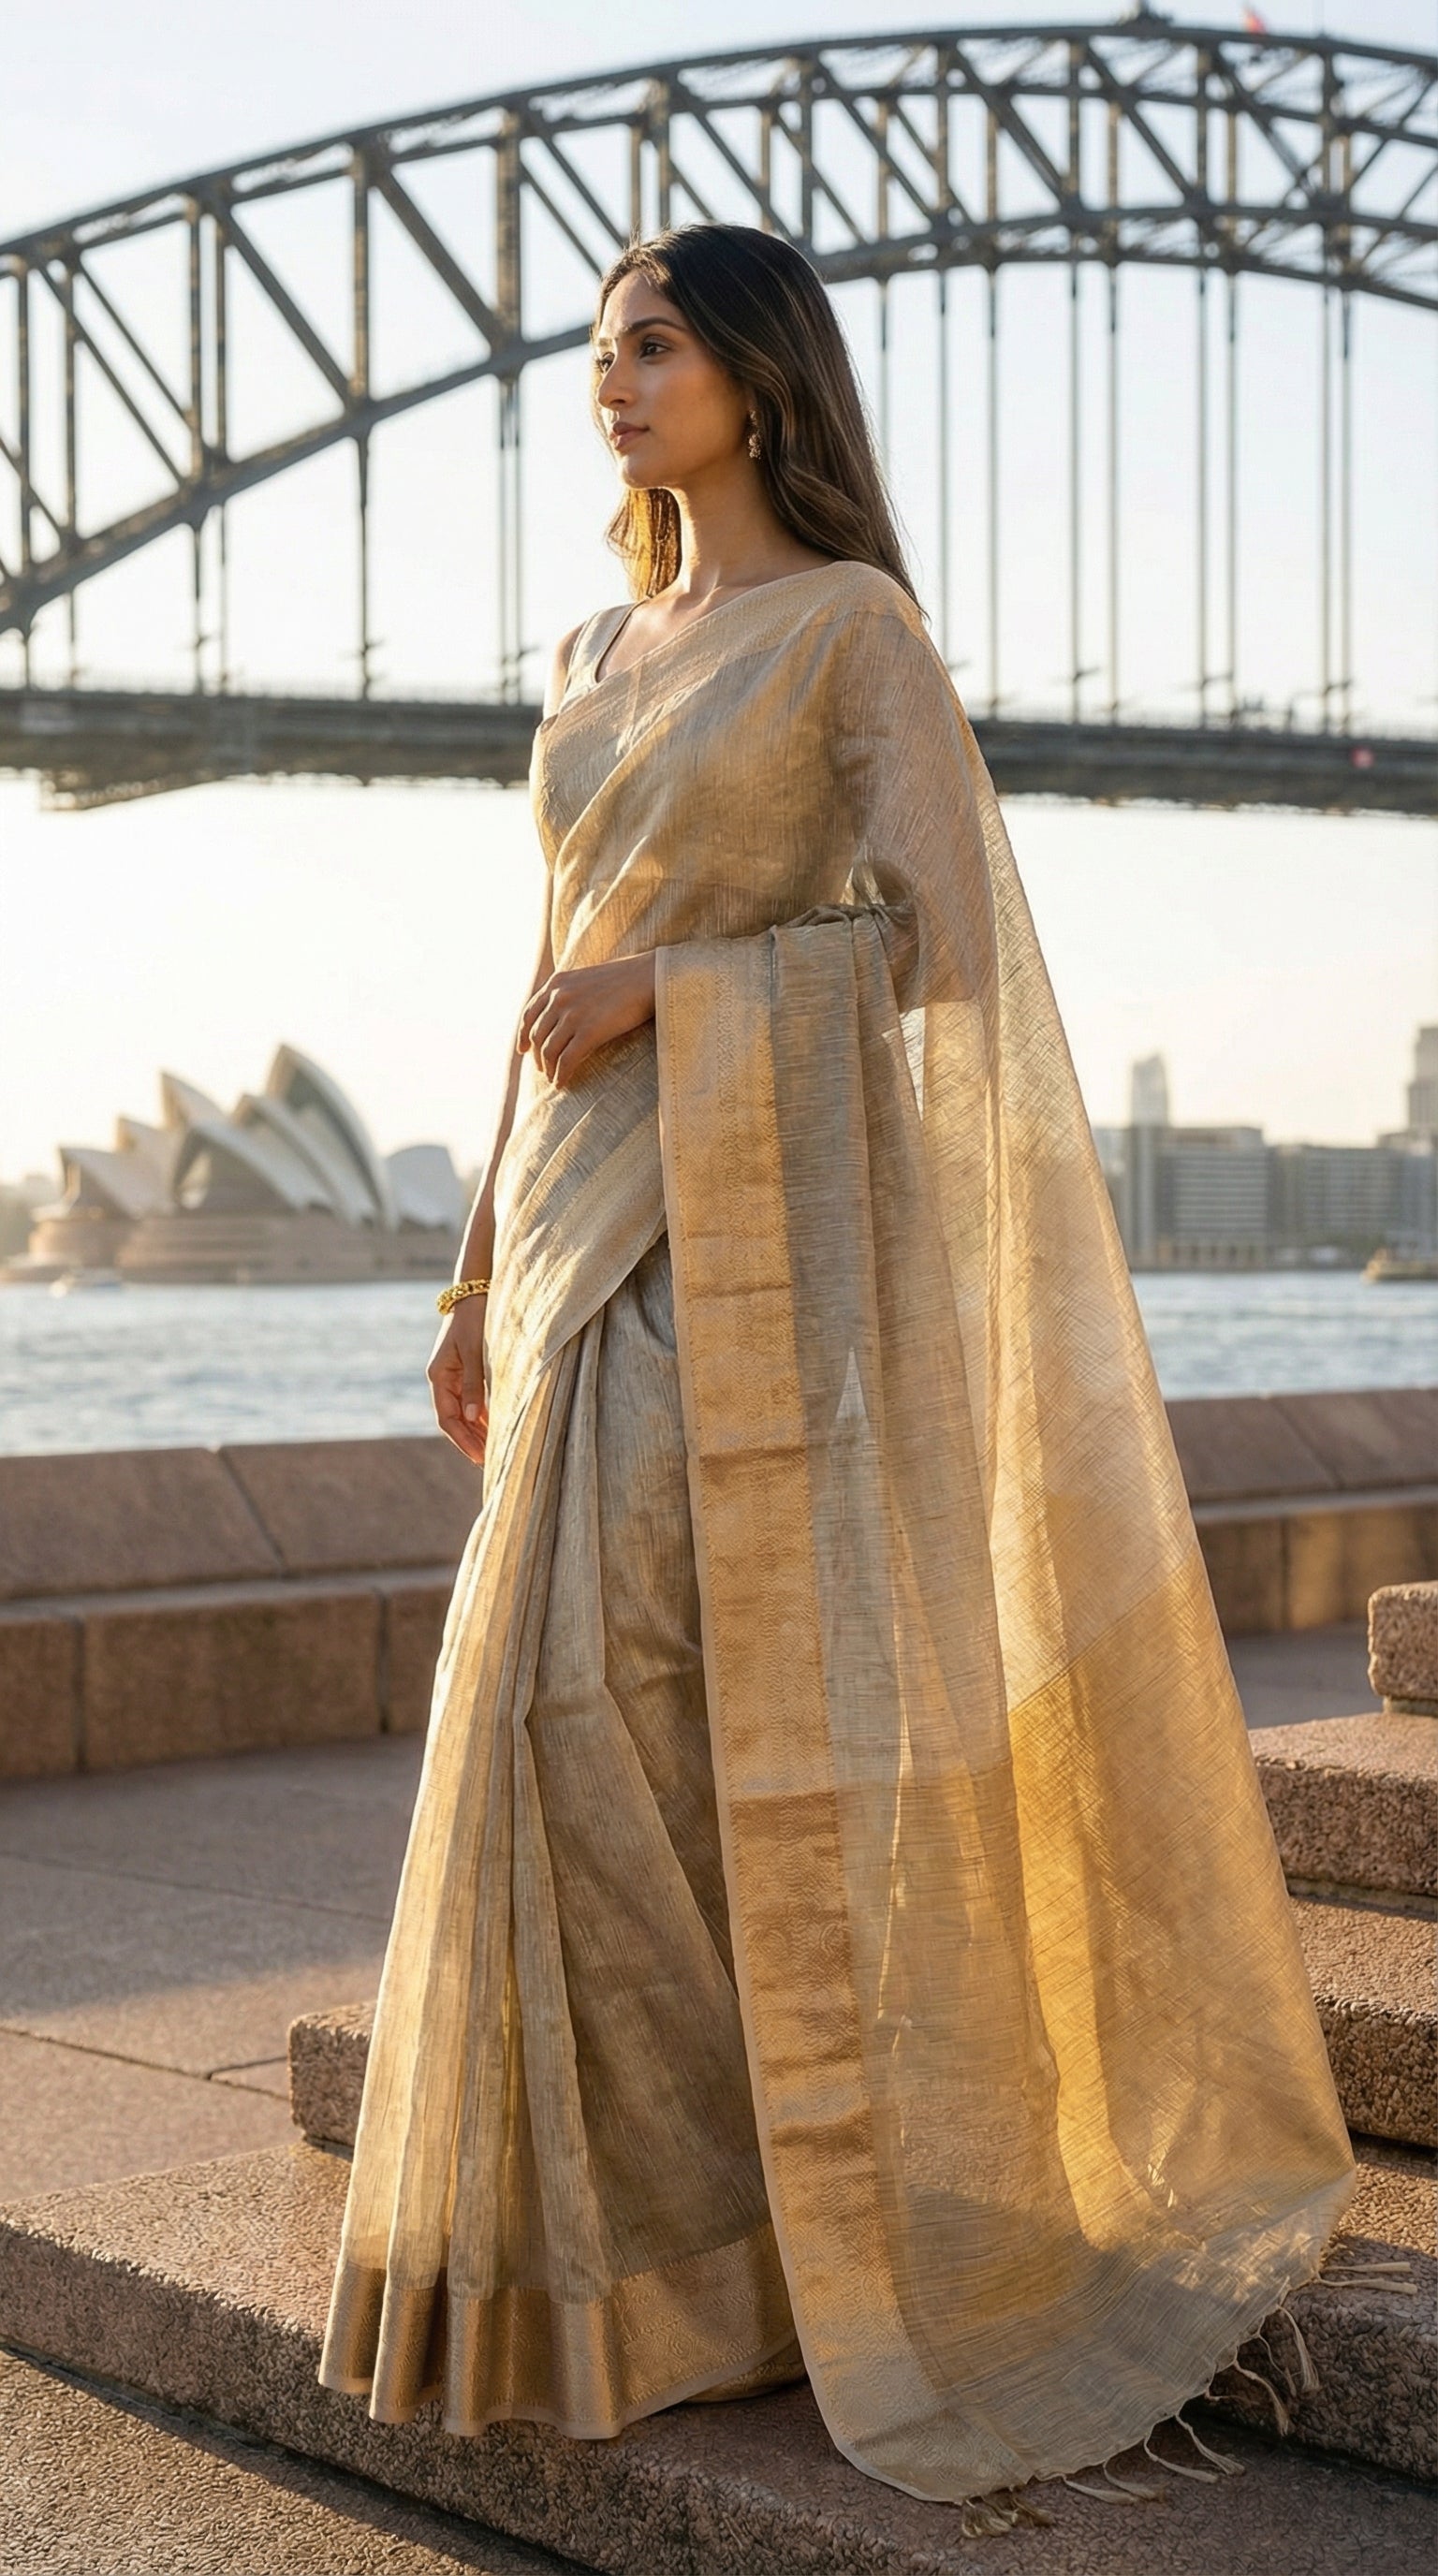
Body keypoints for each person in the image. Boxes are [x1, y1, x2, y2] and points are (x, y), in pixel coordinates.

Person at [320, 223, 1354, 2515]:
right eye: (599, 352)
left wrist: (678, 1001)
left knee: (644, 1713)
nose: (613, 383)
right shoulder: (598, 646)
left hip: (732, 1271)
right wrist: (473, 1265)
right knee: (540, 1726)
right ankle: (620, 2269)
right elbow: (547, 963)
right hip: (578, 1236)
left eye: (654, 347)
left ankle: (782, 2255)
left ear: (761, 382)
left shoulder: (850, 634)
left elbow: (933, 941)